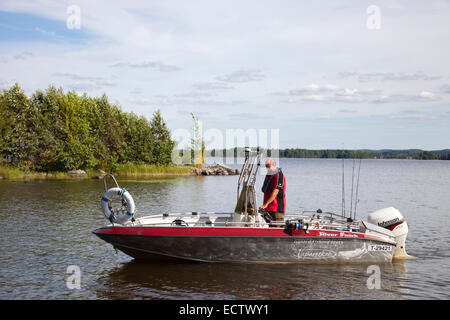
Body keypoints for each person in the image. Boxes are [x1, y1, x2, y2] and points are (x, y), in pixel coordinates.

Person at [259, 158, 286, 226]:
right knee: (270, 227)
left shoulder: (278, 175)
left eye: (269, 167)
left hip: (276, 208)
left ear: (274, 165)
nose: (267, 169)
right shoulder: (269, 175)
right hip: (268, 209)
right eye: (266, 167)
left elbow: (275, 192)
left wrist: (265, 204)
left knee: (277, 228)